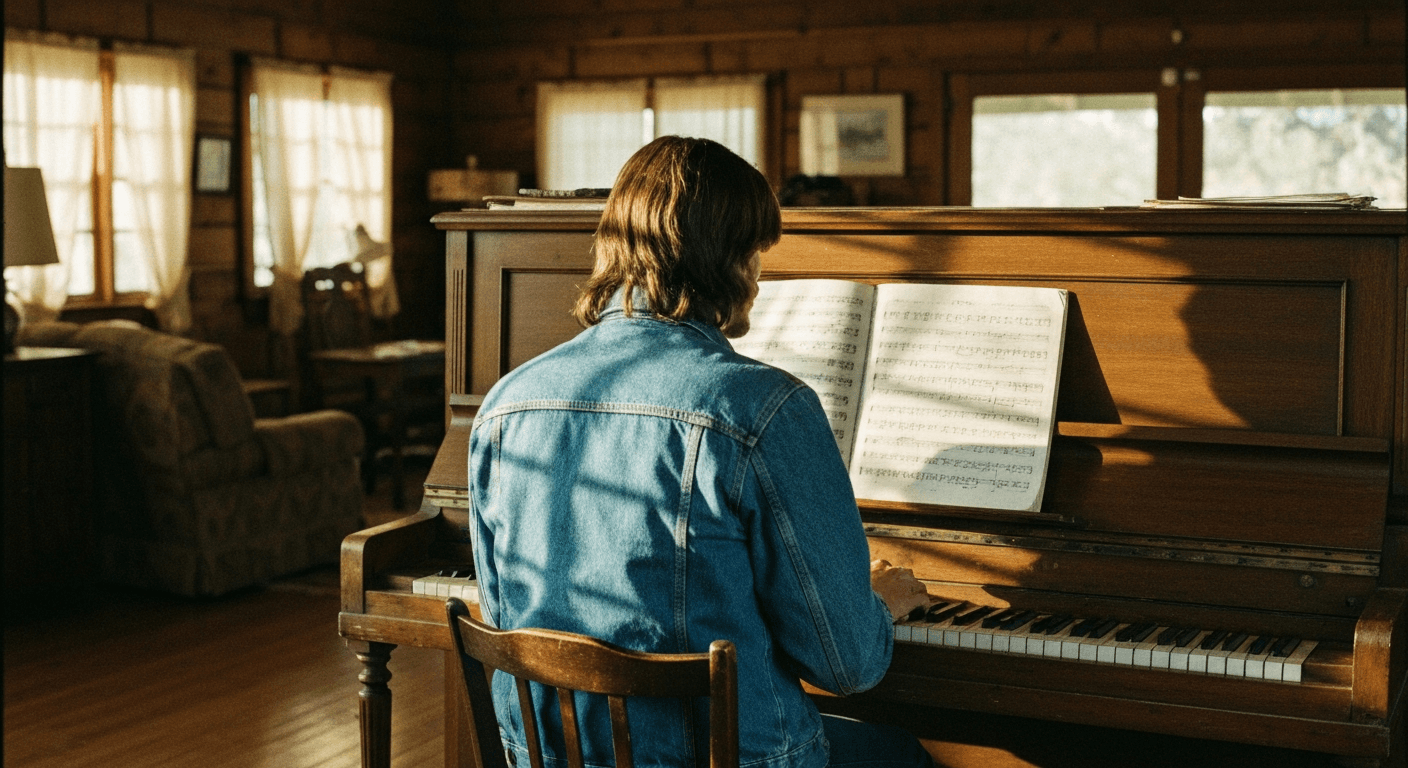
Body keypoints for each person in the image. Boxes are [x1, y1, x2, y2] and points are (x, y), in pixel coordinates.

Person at [467, 135, 935, 768]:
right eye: (758, 255)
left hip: (549, 753)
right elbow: (847, 664)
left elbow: (505, 616)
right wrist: (878, 602)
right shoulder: (761, 407)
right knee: (903, 755)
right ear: (733, 260)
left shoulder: (505, 402)